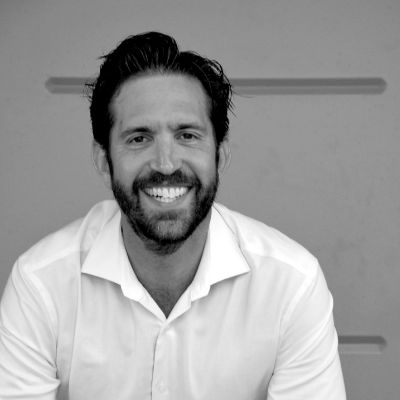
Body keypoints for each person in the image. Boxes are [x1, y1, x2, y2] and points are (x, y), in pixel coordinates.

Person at [0, 31, 346, 399]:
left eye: (187, 135)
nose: (165, 164)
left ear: (220, 156)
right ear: (104, 161)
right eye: (139, 138)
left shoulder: (290, 284)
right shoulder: (42, 284)